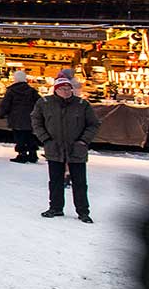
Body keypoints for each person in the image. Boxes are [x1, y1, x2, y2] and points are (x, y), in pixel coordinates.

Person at [33, 75, 102, 223]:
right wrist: (45, 139)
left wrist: (83, 141)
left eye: (68, 88)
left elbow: (93, 124)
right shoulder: (44, 103)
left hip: (76, 148)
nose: (66, 91)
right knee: (55, 180)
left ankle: (83, 211)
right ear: (56, 90)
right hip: (54, 147)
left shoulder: (82, 104)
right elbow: (36, 121)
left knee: (80, 182)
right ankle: (56, 207)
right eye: (62, 89)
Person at [0, 70, 42, 163]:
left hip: (15, 118)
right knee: (29, 135)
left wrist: (2, 114)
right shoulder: (31, 90)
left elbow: (5, 104)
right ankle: (32, 154)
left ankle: (22, 154)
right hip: (29, 118)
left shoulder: (11, 90)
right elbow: (39, 101)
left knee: (19, 136)